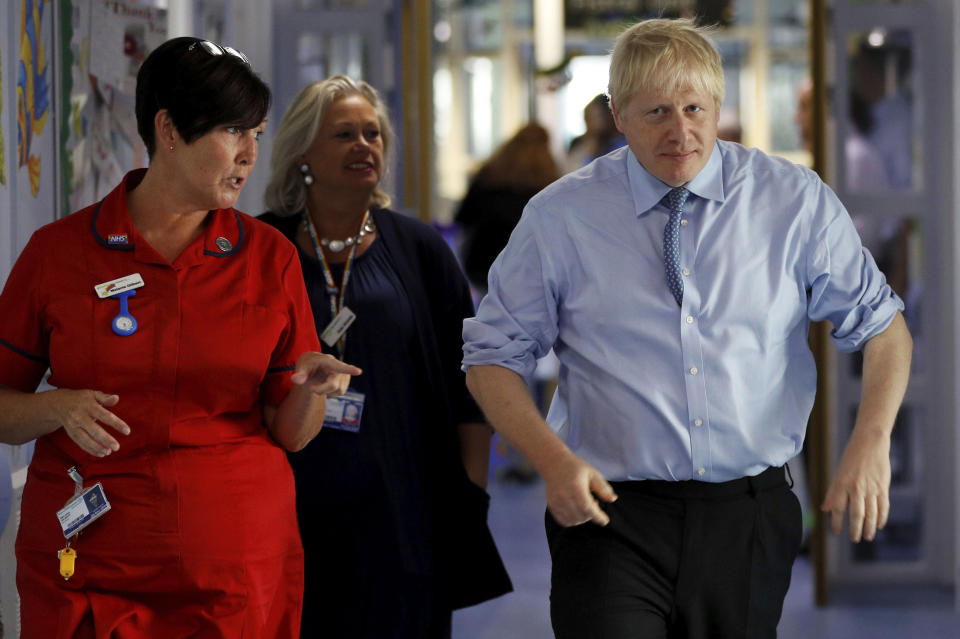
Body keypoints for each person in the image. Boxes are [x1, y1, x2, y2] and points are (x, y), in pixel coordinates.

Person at [463, 18, 912, 639]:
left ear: (718, 105)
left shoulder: (792, 202)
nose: (681, 133)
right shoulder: (561, 217)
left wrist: (871, 444)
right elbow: (491, 356)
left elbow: (884, 329)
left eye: (695, 108)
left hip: (749, 514)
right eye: (656, 113)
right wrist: (552, 460)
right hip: (607, 513)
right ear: (617, 115)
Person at [0, 37, 360, 638]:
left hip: (231, 572)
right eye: (231, 131)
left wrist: (312, 390)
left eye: (257, 133)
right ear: (168, 130)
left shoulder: (269, 258)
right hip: (91, 565)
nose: (250, 154)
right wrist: (54, 407)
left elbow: (292, 435)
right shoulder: (59, 254)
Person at [260, 75, 511, 639]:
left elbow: (465, 385)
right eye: (344, 133)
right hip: (285, 506)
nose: (364, 145)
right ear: (302, 152)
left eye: (372, 134)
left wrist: (470, 496)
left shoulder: (419, 249)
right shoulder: (259, 247)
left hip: (405, 509)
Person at [455, 122, 560, 296]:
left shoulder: (489, 174)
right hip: (531, 270)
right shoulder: (550, 185)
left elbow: (462, 217)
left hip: (482, 265)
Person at [565, 93, 627, 172]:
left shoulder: (622, 144)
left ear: (610, 116)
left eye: (592, 118)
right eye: (586, 119)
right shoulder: (580, 143)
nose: (588, 125)